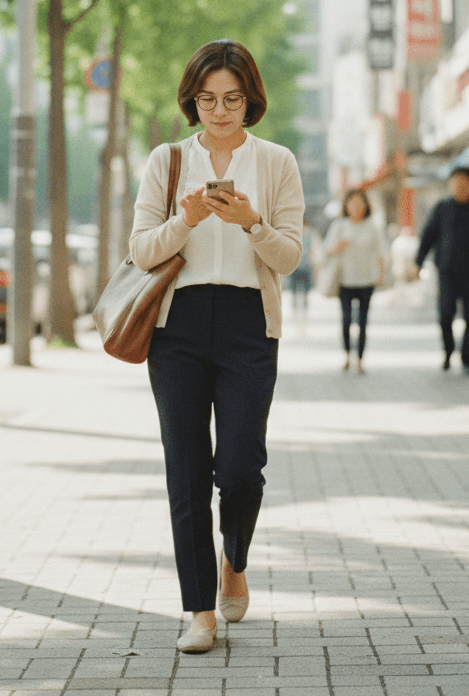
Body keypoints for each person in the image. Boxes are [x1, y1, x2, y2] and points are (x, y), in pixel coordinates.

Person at [130, 39, 304, 654]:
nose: (219, 111)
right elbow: (142, 249)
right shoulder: (168, 160)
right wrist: (188, 220)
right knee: (186, 471)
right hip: (176, 328)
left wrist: (252, 223)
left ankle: (236, 559)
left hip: (247, 325)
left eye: (231, 99)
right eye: (207, 99)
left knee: (240, 470)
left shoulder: (277, 161)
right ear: (192, 100)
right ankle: (199, 611)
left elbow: (290, 256)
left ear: (250, 99)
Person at [414, 166, 469, 375]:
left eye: (464, 183)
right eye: (456, 183)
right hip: (446, 273)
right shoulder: (441, 209)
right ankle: (448, 351)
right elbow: (427, 236)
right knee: (445, 314)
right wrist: (418, 261)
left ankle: (467, 360)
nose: (460, 187)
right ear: (450, 184)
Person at [323, 187, 386, 372]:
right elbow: (327, 250)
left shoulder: (372, 226)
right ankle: (347, 354)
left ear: (366, 205)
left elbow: (380, 252)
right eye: (353, 202)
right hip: (345, 280)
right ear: (346, 205)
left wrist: (380, 274)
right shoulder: (339, 225)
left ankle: (360, 358)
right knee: (346, 319)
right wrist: (339, 246)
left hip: (367, 280)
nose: (356, 206)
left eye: (360, 202)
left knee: (363, 321)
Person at [289, 219, 315, 323]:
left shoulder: (310, 236)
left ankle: (304, 312)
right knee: (294, 291)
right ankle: (295, 310)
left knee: (305, 292)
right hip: (295, 267)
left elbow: (313, 252)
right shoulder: (293, 235)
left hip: (306, 267)